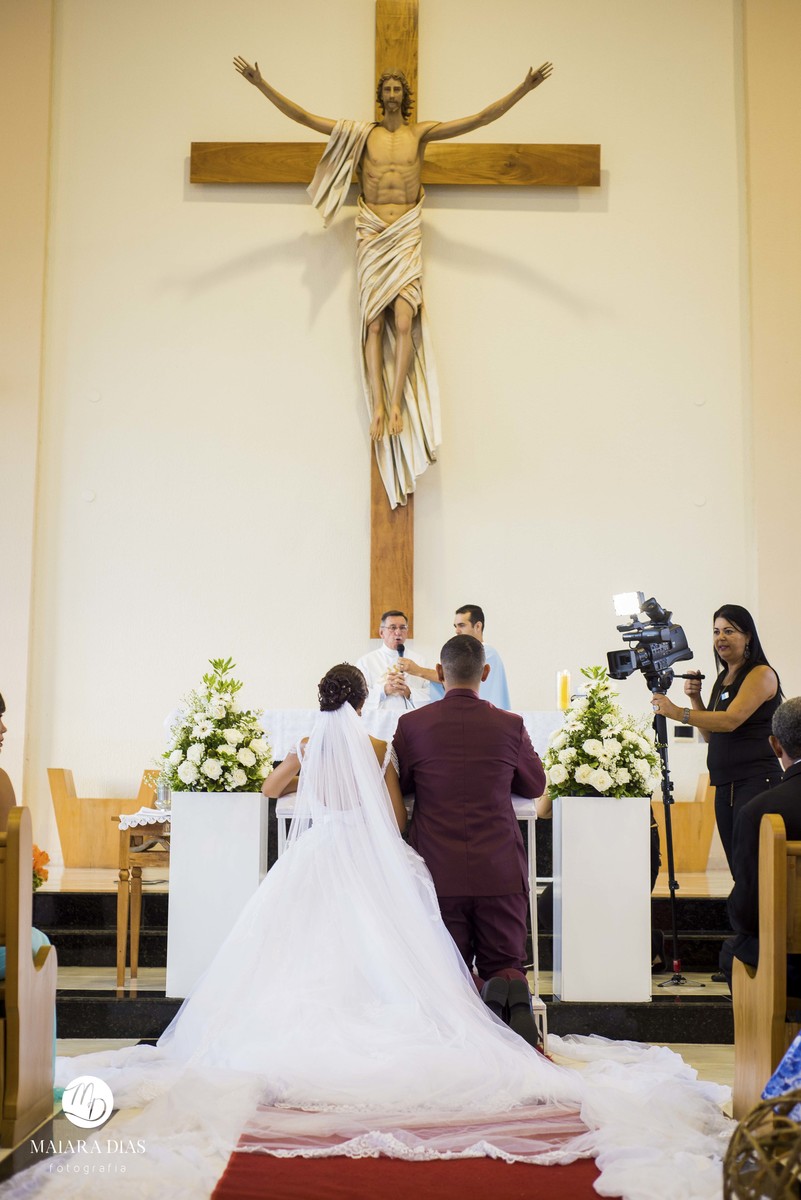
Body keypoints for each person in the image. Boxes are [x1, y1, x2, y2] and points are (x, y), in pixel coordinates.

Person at [7, 665, 732, 1198]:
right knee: (385, 955)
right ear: (360, 701)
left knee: (293, 958)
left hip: (311, 859)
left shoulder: (306, 745)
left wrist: (300, 792)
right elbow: (390, 818)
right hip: (361, 860)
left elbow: (267, 794)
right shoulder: (375, 746)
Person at [233, 56, 552, 508]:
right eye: (387, 89)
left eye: (398, 89)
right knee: (375, 324)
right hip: (371, 233)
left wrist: (524, 89)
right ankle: (378, 403)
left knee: (405, 322)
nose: (393, 95)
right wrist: (261, 83)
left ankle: (398, 400)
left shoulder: (420, 134)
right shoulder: (362, 135)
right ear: (379, 95)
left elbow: (479, 119)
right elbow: (304, 117)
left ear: (406, 95)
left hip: (403, 234)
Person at [392, 634, 544, 1041]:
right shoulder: (509, 724)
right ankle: (509, 997)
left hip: (438, 873)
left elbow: (402, 782)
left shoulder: (411, 725)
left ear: (440, 673)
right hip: (498, 870)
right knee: (507, 961)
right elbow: (534, 784)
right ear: (486, 673)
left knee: (447, 970)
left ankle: (464, 1030)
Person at [651, 603, 782, 874]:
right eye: (716, 631)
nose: (720, 638)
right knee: (739, 870)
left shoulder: (761, 674)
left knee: (753, 870)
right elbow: (712, 734)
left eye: (729, 631)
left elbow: (731, 720)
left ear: (748, 637)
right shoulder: (724, 677)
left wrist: (677, 711)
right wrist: (695, 699)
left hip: (755, 782)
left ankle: (759, 917)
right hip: (725, 786)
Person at [719, 697, 801, 991]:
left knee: (734, 952)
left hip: (791, 963)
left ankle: (775, 1034)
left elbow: (747, 913)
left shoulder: (759, 812)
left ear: (775, 745)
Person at [400, 603, 512, 708]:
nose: (457, 631)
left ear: (478, 626)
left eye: (461, 625)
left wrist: (418, 670)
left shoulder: (486, 652)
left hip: (486, 716)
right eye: (455, 626)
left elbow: (454, 676)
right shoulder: (470, 652)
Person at [356, 609, 430, 712]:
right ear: (381, 633)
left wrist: (409, 692)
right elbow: (357, 696)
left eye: (402, 628)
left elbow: (432, 694)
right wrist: (384, 691)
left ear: (407, 632)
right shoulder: (366, 662)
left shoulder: (420, 660)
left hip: (412, 720)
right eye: (393, 627)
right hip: (379, 722)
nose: (398, 632)